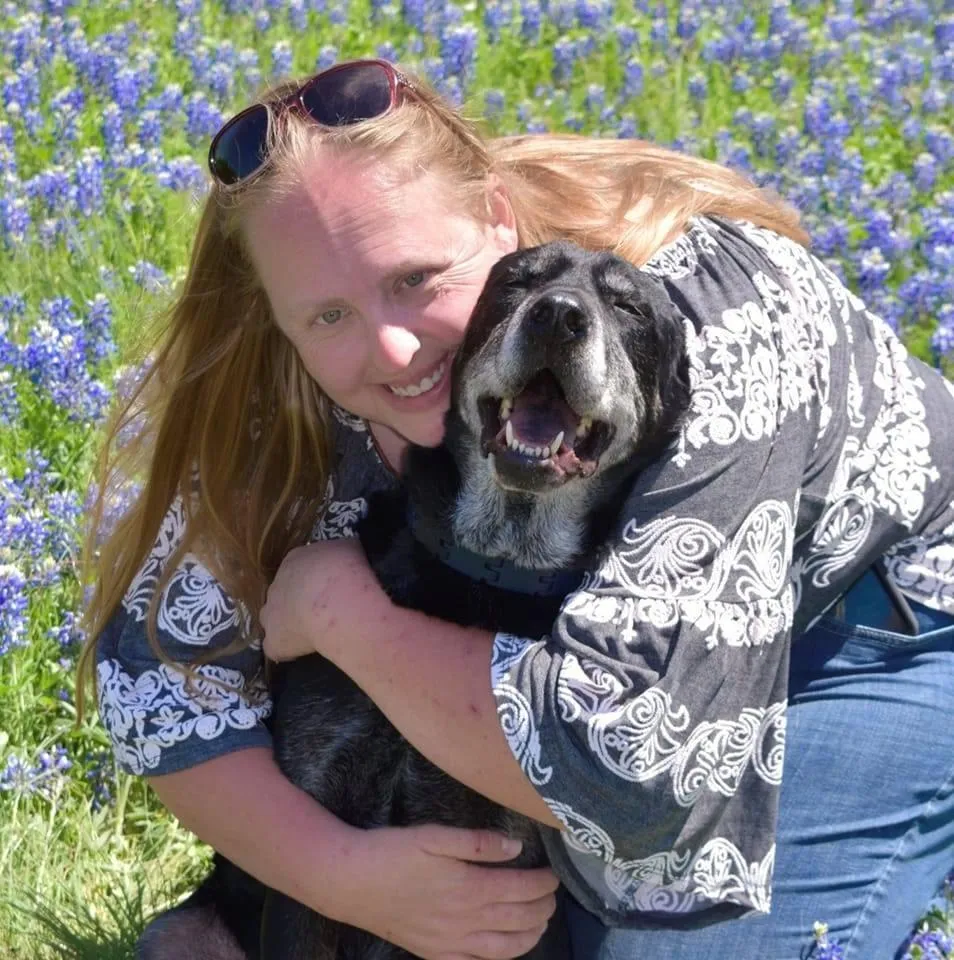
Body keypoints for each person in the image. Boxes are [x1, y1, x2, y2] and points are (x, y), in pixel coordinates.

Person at [78, 59, 954, 960]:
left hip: (875, 633)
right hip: (585, 659)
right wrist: (345, 876)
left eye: (415, 278)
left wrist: (346, 620)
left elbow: (644, 776)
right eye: (328, 314)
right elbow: (161, 686)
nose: (392, 344)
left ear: (496, 218)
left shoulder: (718, 324)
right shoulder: (308, 371)